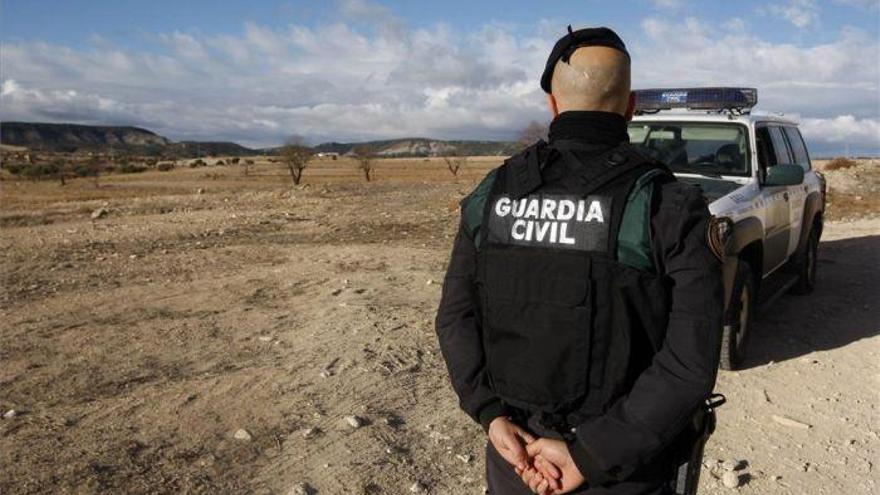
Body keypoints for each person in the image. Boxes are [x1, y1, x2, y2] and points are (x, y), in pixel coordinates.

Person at [434, 26, 725, 495]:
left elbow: (455, 317)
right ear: (630, 106)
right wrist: (591, 454)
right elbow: (689, 363)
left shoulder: (493, 192)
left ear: (552, 104)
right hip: (624, 468)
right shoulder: (667, 203)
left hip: (516, 461)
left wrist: (490, 415)